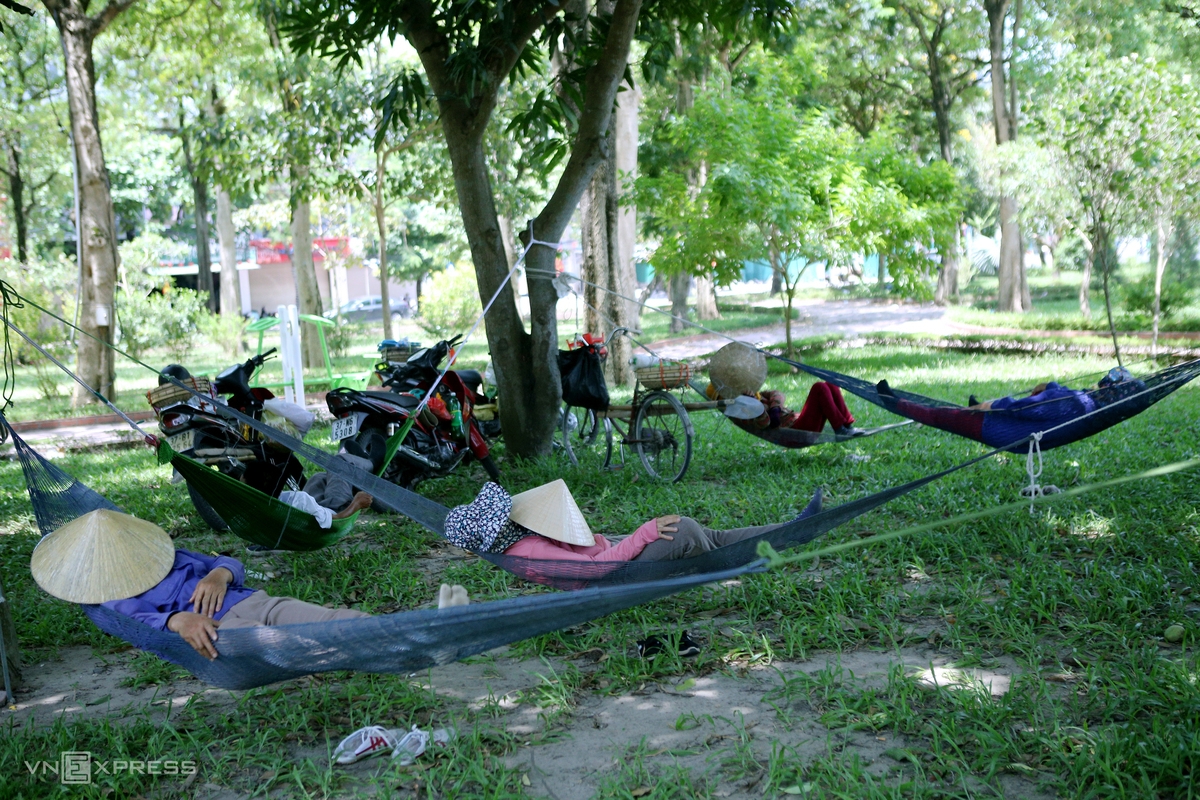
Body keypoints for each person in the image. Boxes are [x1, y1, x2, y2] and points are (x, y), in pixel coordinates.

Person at [29, 509, 469, 661]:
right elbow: (139, 622)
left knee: (332, 619)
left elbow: (226, 560)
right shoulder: (111, 595)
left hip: (255, 600)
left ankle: (433, 629)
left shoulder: (169, 557)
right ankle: (424, 644)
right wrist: (178, 620)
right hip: (223, 632)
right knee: (308, 642)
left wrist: (221, 573)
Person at [443, 479, 823, 565]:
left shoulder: (518, 538)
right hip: (619, 569)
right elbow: (592, 572)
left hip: (614, 548)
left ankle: (793, 531)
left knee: (708, 534)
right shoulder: (529, 549)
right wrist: (643, 534)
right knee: (693, 535)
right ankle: (738, 560)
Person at [707, 381, 864, 437]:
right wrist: (753, 405)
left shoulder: (749, 395)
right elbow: (764, 424)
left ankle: (847, 424)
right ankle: (839, 429)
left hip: (797, 418)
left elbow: (777, 394)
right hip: (795, 431)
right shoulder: (738, 412)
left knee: (829, 384)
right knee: (819, 388)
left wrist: (774, 407)